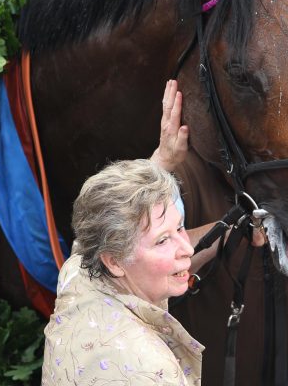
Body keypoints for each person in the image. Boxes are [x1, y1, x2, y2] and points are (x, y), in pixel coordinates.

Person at [41, 81, 219, 385]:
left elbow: (88, 239)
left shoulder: (76, 274)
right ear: (113, 261)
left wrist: (162, 160)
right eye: (163, 240)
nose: (186, 248)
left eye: (180, 228)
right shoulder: (151, 372)